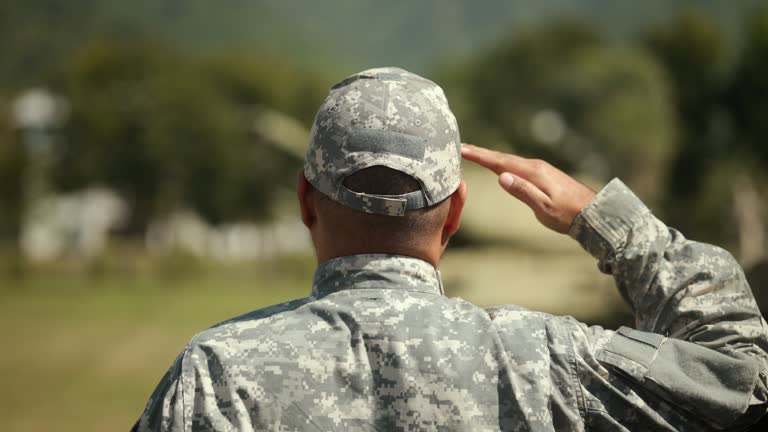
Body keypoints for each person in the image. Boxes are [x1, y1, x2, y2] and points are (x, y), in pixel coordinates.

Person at [132, 67, 768, 431]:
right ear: (456, 212)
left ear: (305, 202)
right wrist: (609, 221)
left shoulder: (216, 377)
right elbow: (740, 379)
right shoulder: (548, 364)